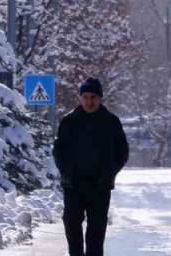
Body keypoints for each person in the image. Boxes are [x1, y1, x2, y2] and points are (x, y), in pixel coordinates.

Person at [53, 77, 129, 256]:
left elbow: (122, 152)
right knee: (72, 226)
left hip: (100, 187)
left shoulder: (111, 122)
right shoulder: (69, 121)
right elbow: (58, 151)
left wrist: (110, 173)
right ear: (80, 98)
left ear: (100, 98)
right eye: (85, 97)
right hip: (73, 185)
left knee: (96, 233)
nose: (89, 101)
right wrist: (65, 172)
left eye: (93, 97)